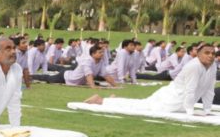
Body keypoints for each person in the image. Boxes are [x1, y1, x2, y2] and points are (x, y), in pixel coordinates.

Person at [85, 44, 218, 116]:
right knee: (141, 106)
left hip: (180, 102)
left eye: (213, 53)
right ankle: (101, 100)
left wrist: (207, 109)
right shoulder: (194, 66)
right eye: (207, 53)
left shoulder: (212, 67)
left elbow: (209, 89)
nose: (211, 56)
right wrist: (190, 112)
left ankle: (112, 100)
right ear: (199, 54)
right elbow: (191, 89)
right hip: (170, 99)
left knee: (141, 104)